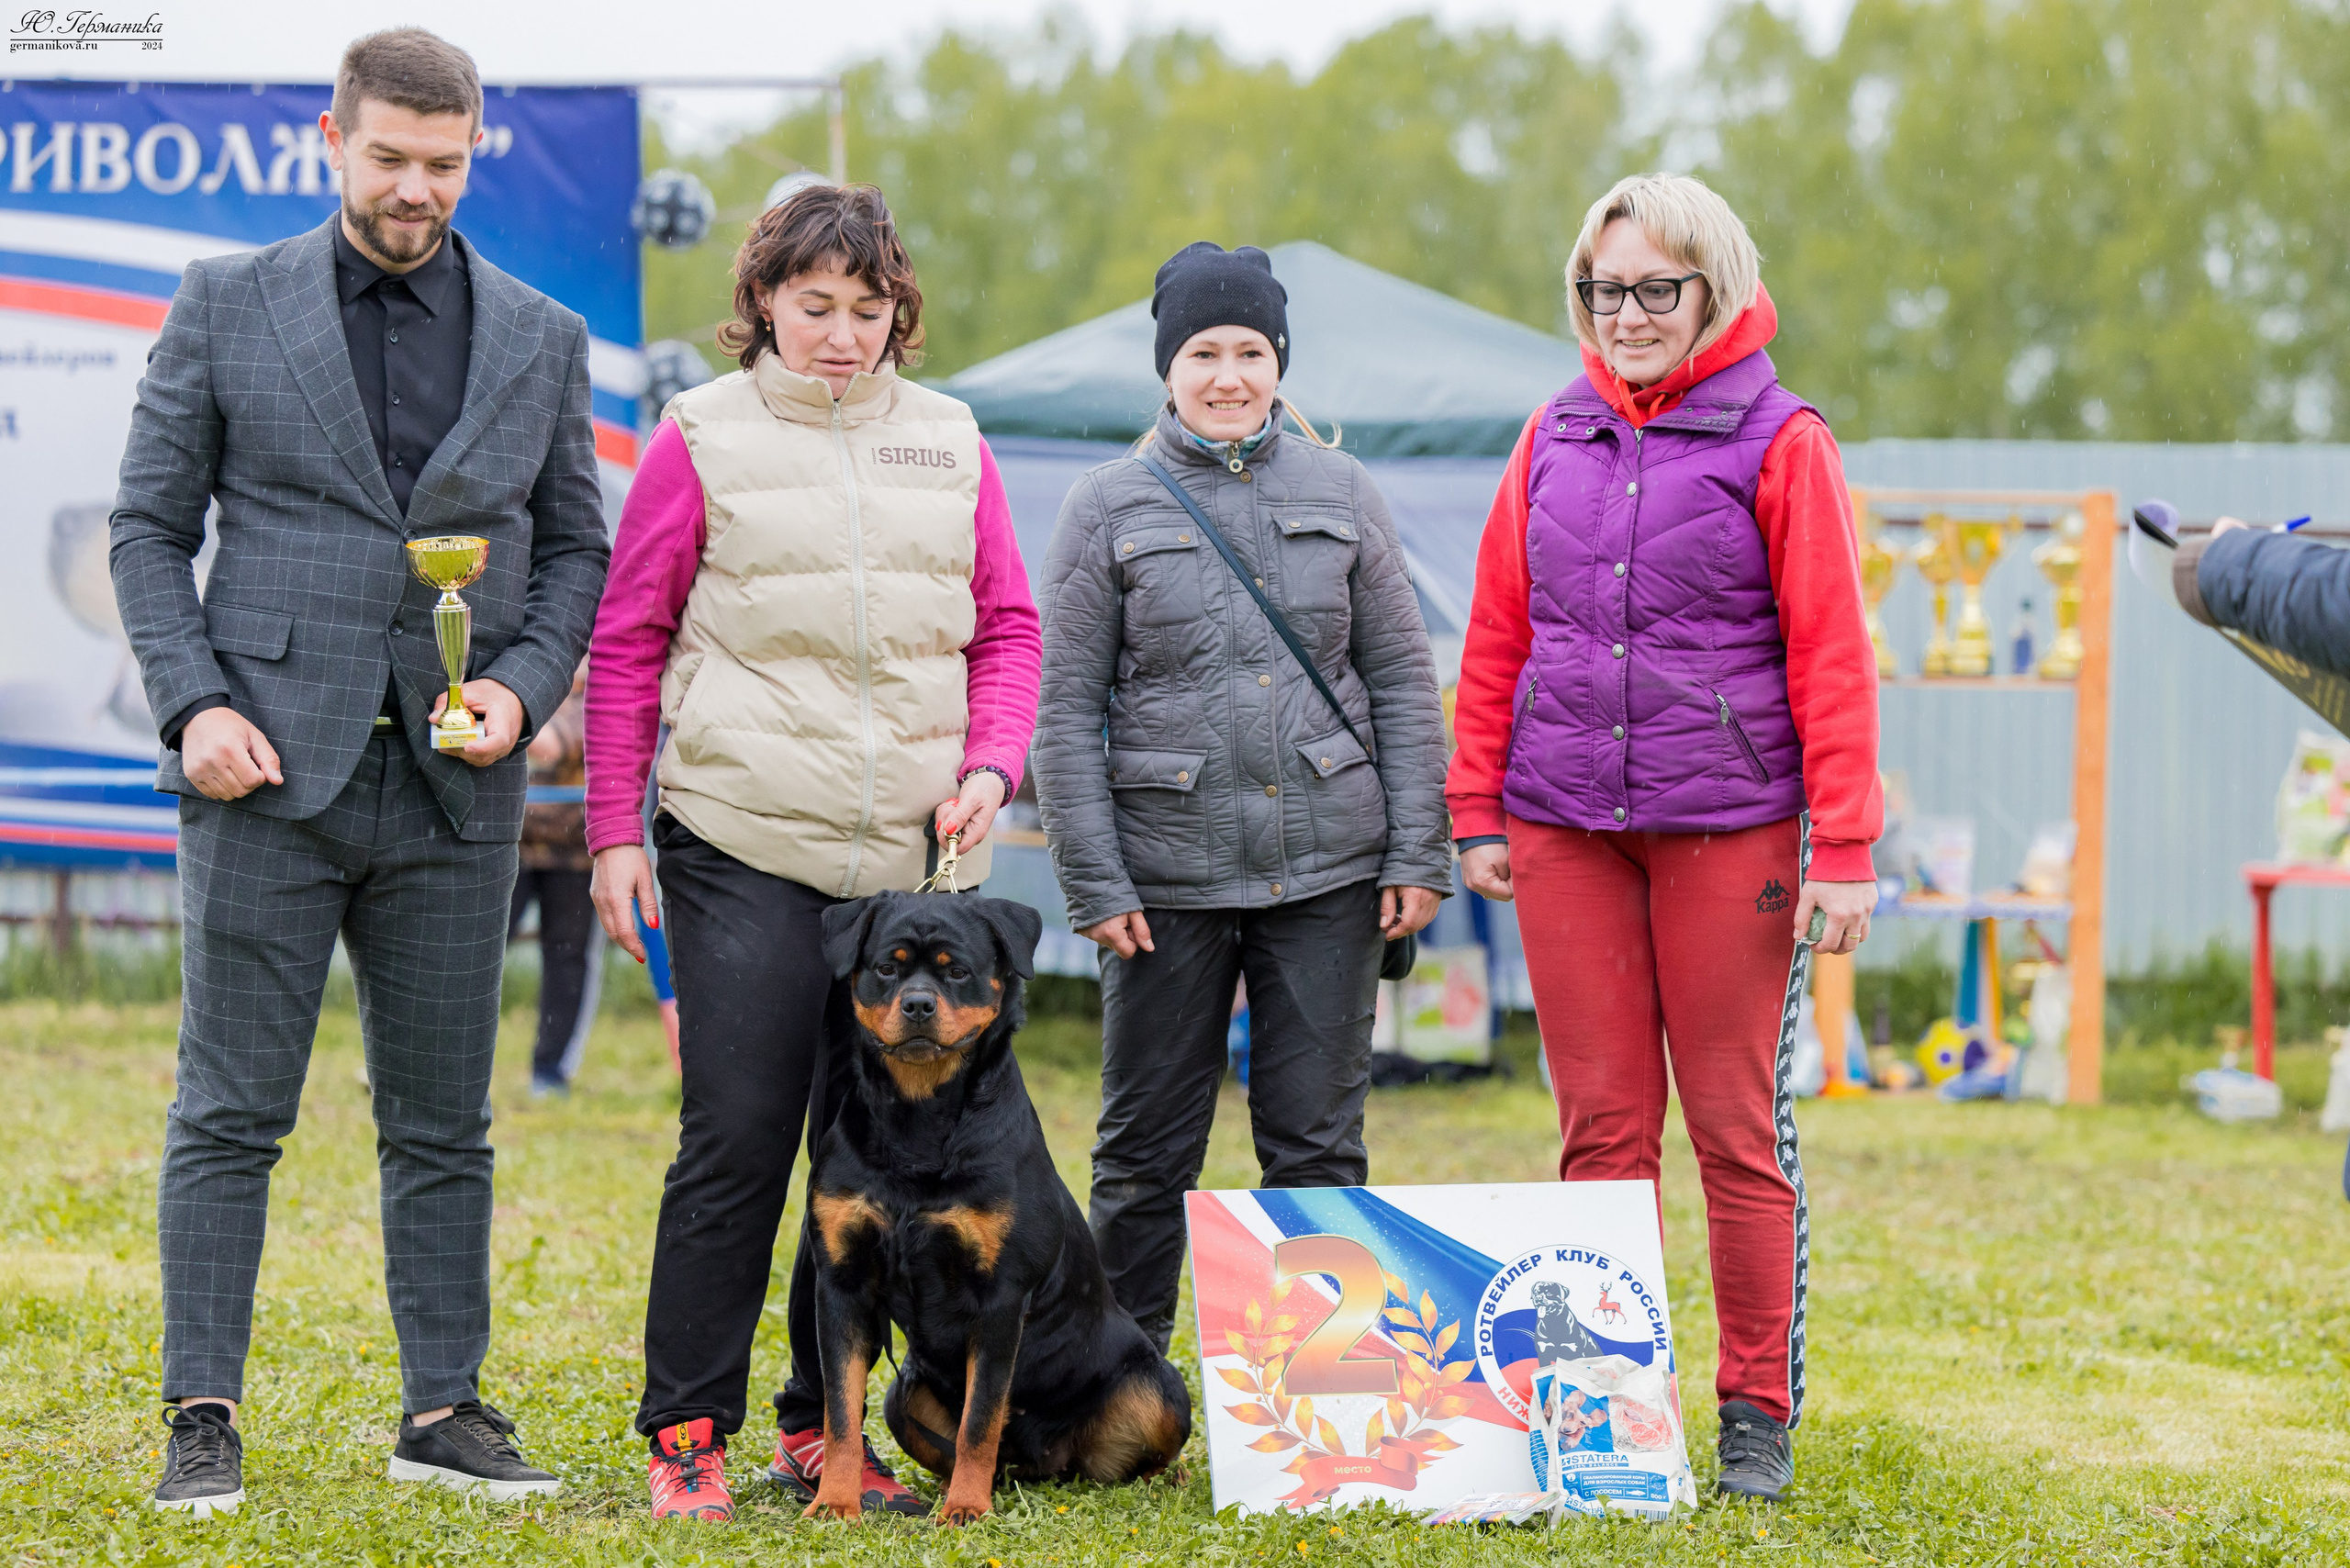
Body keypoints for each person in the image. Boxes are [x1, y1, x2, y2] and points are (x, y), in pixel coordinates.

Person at [110, 28, 609, 1517]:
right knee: (228, 1109)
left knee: (445, 1116)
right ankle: (204, 1407)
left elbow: (575, 544)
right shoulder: (224, 300)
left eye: (441, 164)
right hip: (261, 769)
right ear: (333, 138)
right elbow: (147, 525)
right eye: (387, 158)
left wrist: (523, 690)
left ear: (476, 153)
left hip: (459, 790)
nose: (413, 188)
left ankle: (445, 1405)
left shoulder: (540, 332)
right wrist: (194, 704)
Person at [584, 184, 1040, 1524]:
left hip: (912, 860)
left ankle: (811, 1426)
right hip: (742, 838)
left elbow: (1007, 629)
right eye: (813, 307)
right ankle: (687, 1434)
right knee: (738, 1137)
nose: (842, 336)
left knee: (870, 1161)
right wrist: (617, 830)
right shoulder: (699, 438)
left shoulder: (953, 440)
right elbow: (628, 643)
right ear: (764, 306)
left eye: (867, 309)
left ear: (899, 310)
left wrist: (990, 763)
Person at [1445, 173, 1883, 1504]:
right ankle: (1607, 1413)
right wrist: (1475, 807)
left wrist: (1848, 848)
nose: (1625, 313)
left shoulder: (1782, 439)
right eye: (1602, 289)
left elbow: (1833, 655)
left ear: (1715, 290)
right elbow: (1497, 634)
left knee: (1738, 1131)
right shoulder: (1552, 435)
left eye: (1653, 288)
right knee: (1601, 1129)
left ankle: (1754, 1408)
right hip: (1563, 821)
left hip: (1730, 830)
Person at [1033, 241, 1452, 1356]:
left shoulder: (1345, 490)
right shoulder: (1105, 504)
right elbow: (1063, 709)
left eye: (1251, 351)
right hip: (1160, 881)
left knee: (1317, 1149)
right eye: (1204, 352)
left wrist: (1419, 850)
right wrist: (1093, 878)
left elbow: (1403, 682)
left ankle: (1326, 1402)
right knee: (1141, 1157)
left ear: (1280, 363)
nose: (1228, 374)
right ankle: (1110, 1397)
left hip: (1329, 868)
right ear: (1167, 366)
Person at [510, 662, 599, 1096]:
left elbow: (548, 746)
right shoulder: (532, 684)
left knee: (566, 961)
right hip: (516, 845)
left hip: (576, 856)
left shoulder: (596, 700)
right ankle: (423, 1062)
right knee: (471, 950)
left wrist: (503, 719)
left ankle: (549, 1072)